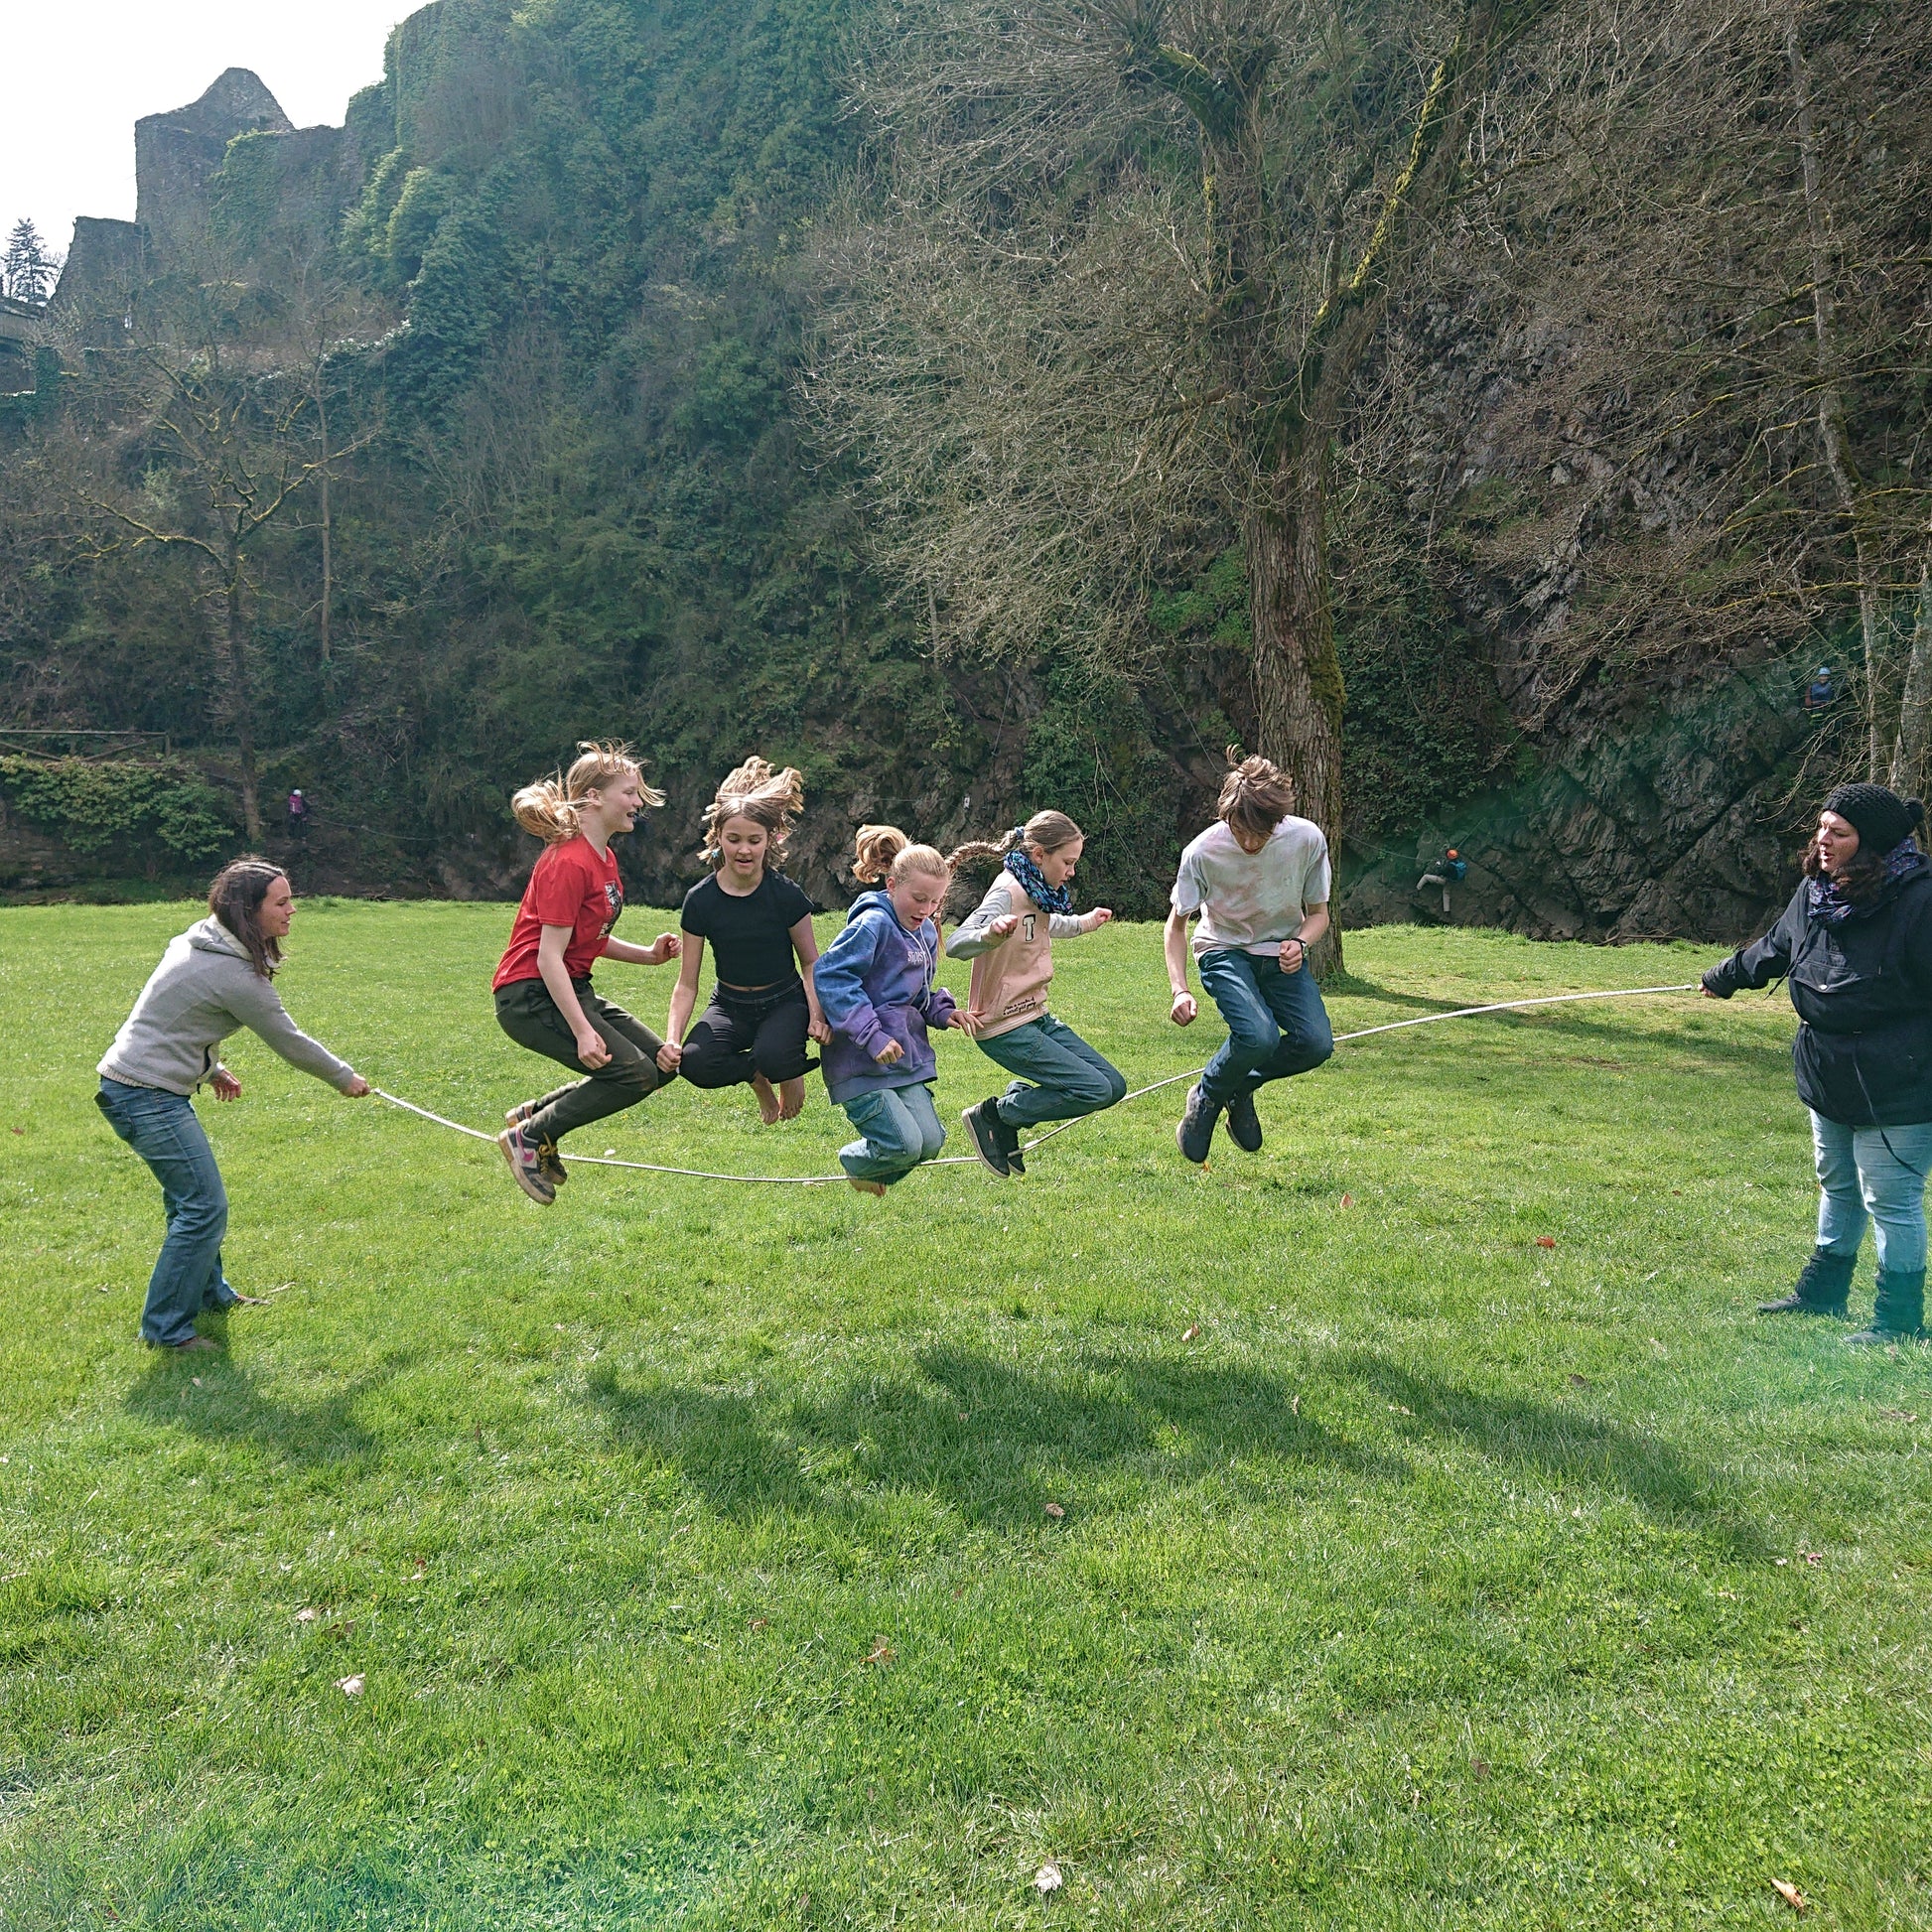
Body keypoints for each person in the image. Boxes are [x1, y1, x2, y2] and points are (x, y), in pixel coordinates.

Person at [95, 858, 370, 1352]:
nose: (292, 911)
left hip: (142, 1088)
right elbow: (288, 1040)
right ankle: (166, 1330)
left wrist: (210, 1068)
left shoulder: (204, 940)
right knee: (202, 1207)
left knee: (191, 1203)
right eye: (281, 902)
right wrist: (343, 1078)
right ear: (249, 910)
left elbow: (174, 1019)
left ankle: (209, 1295)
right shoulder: (233, 973)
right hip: (144, 1095)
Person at [1703, 781, 1932, 1343]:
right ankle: (1822, 1295)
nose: (1823, 841)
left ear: (1872, 843)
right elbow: (1777, 946)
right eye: (1822, 827)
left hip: (1900, 1076)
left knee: (1892, 1199)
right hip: (1825, 1066)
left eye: (1840, 832)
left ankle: (1898, 1320)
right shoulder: (1816, 890)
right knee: (1837, 1184)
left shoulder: (1921, 901)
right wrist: (1725, 977)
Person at [492, 743, 681, 1205]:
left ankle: (534, 1115)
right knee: (634, 1074)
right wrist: (582, 1031)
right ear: (594, 797)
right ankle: (529, 1137)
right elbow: (548, 958)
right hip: (530, 996)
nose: (638, 803)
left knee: (660, 1064)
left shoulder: (603, 858)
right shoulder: (568, 861)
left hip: (569, 987)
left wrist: (649, 956)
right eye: (629, 793)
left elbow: (590, 937)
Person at [1166, 750, 1334, 1165]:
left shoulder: (1307, 839)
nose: (1249, 842)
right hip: (1223, 949)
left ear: (1278, 820)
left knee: (1315, 1044)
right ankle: (1206, 1096)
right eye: (1240, 830)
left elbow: (1319, 915)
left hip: (1279, 953)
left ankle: (1237, 1086)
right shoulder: (1202, 852)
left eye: (1261, 833)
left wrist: (1301, 943)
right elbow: (1176, 927)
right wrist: (1180, 990)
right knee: (1258, 1035)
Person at [945, 811, 1123, 1176]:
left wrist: (1085, 922)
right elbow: (956, 943)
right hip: (1004, 1027)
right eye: (1067, 862)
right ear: (1039, 855)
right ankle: (996, 1116)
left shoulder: (1037, 891)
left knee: (1114, 1086)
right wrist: (989, 935)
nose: (1071, 872)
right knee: (1095, 1090)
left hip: (1036, 1017)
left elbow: (1043, 923)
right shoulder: (1007, 891)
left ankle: (1015, 1102)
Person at [659, 758, 832, 1124]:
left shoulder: (786, 895)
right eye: (734, 839)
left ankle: (784, 1067)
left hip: (784, 1001)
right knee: (694, 1063)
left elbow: (811, 962)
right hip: (729, 1004)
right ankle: (756, 1075)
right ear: (718, 838)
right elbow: (687, 983)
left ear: (770, 840)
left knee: (777, 1058)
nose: (744, 850)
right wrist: (672, 1039)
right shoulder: (700, 900)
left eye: (754, 840)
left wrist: (817, 1016)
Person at [814, 826, 973, 1195]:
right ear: (891, 886)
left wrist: (942, 1012)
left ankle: (870, 1174)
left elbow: (917, 995)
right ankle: (855, 1163)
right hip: (861, 1059)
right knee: (904, 1145)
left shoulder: (926, 933)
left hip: (904, 1057)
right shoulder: (872, 925)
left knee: (931, 1142)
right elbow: (832, 975)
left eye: (935, 902)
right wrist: (871, 1035)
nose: (926, 910)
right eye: (918, 899)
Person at [1417, 845, 1467, 914]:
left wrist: (1438, 866)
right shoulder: (1458, 862)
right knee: (1446, 893)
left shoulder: (1450, 866)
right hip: (1454, 881)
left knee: (1425, 877)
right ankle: (1447, 911)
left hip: (1446, 881)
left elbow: (1441, 872)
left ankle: (1417, 889)